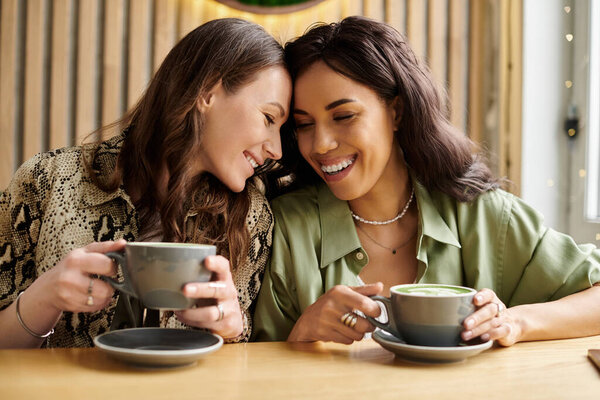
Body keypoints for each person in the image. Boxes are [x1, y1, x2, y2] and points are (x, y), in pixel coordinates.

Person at [252, 16, 600, 345]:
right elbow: (248, 371)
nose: (321, 144)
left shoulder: (481, 214)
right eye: (304, 124)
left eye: (343, 116)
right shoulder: (285, 227)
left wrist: (515, 322)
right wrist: (301, 335)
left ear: (397, 112)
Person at [0, 18, 291, 348]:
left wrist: (231, 330)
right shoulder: (45, 180)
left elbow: (238, 381)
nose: (275, 149)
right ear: (208, 92)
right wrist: (42, 299)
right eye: (268, 118)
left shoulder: (251, 219)